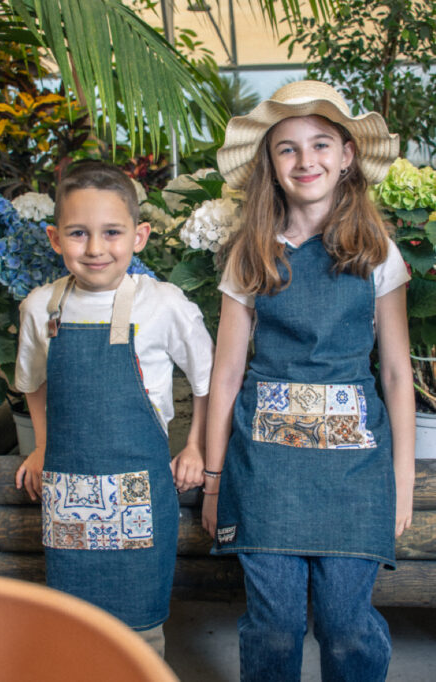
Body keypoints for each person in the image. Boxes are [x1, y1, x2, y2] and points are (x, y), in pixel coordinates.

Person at [202, 80, 415, 682]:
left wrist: (400, 478)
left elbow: (397, 373)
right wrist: (216, 480)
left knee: (346, 626)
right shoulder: (251, 252)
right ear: (269, 163)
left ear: (347, 155)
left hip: (355, 474)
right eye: (287, 148)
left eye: (321, 143)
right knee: (274, 625)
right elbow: (225, 376)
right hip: (265, 470)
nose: (306, 160)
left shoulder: (379, 254)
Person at [15, 160, 213, 656]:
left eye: (112, 233)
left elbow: (210, 382)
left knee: (140, 634)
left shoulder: (165, 304)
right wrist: (42, 445)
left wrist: (195, 447)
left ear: (140, 235)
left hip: (139, 496)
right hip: (70, 497)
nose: (96, 248)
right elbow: (32, 385)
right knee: (73, 629)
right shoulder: (41, 307)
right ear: (55, 238)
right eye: (78, 234)